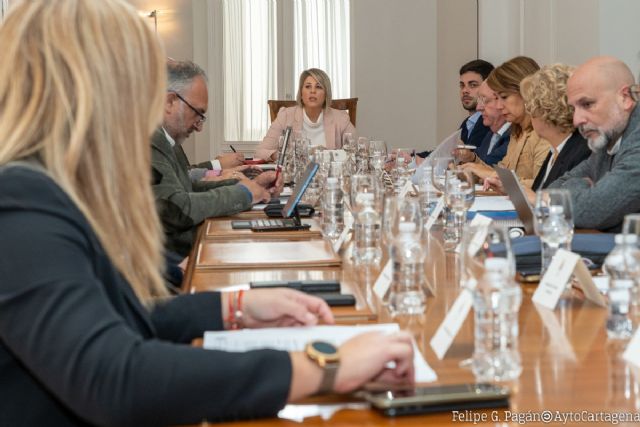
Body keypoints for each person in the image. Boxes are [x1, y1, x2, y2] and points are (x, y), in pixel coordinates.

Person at [0, 1, 415, 426]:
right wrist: (323, 367)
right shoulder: (21, 199)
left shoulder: (56, 183)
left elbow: (126, 313)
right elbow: (115, 378)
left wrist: (235, 307)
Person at [152, 60, 282, 257]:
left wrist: (252, 185)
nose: (199, 127)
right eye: (198, 113)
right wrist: (244, 194)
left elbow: (187, 187)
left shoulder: (168, 141)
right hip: (170, 264)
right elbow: (177, 208)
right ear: (170, 102)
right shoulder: (149, 141)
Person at [549, 56, 640, 230]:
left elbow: (589, 212)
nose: (577, 120)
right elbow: (553, 188)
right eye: (574, 108)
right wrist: (585, 192)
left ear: (626, 98)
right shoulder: (608, 137)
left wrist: (579, 186)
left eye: (587, 104)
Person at [484, 64, 591, 202]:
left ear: (544, 110)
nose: (529, 112)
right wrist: (512, 189)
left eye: (530, 105)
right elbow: (538, 193)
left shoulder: (581, 150)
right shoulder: (556, 149)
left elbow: (564, 205)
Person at [460, 56, 550, 188]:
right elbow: (503, 172)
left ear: (526, 92)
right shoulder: (518, 131)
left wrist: (491, 175)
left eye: (504, 97)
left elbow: (544, 186)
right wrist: (473, 166)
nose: (500, 106)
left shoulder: (544, 132)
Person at [255, 68, 355, 161]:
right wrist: (283, 156)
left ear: (326, 94)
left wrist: (325, 155)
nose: (312, 91)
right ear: (301, 93)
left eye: (318, 87)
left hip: (331, 177)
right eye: (308, 86)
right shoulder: (285, 116)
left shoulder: (341, 118)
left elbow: (358, 152)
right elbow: (260, 152)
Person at [417, 59, 494, 159]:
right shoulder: (468, 122)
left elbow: (465, 157)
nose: (465, 91)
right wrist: (412, 157)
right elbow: (445, 152)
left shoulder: (488, 122)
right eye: (462, 85)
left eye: (473, 85)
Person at [453, 80, 511, 166]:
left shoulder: (512, 135)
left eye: (485, 100)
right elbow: (481, 164)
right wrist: (469, 157)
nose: (478, 108)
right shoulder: (491, 133)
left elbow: (492, 170)